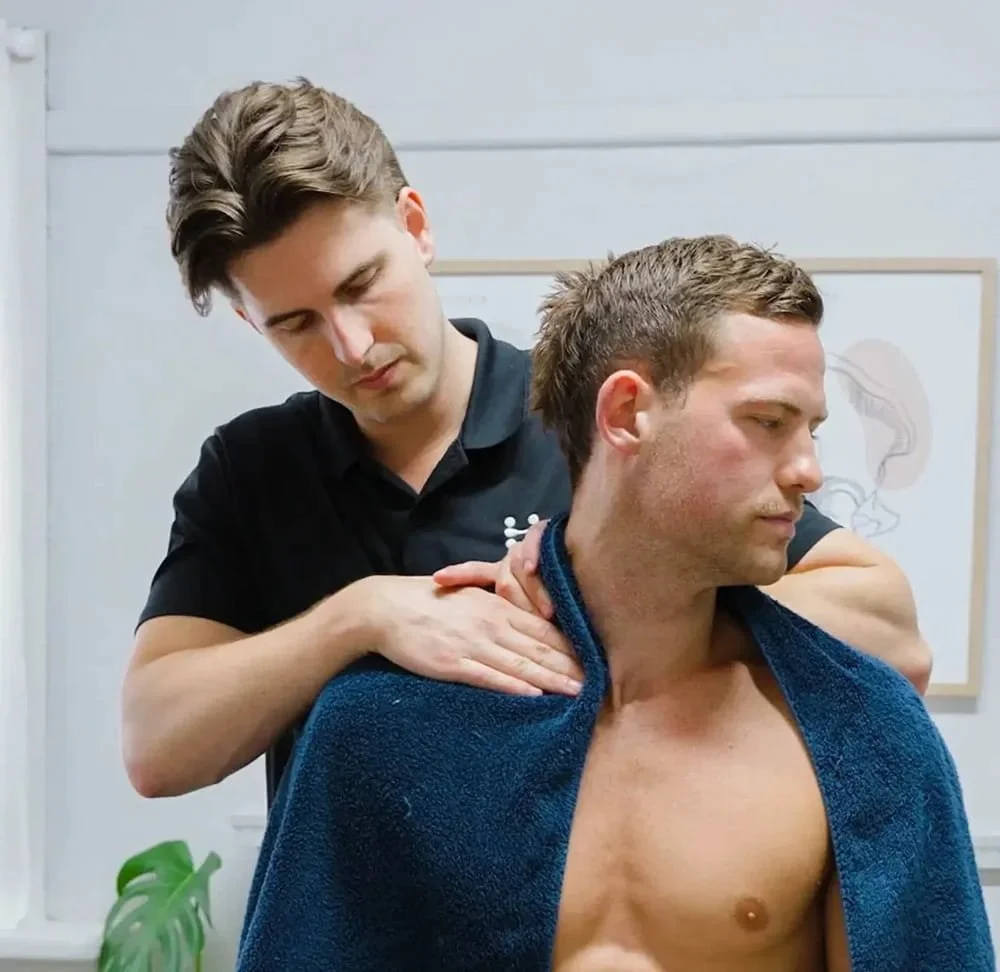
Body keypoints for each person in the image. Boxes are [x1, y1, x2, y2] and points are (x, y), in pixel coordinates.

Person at [122, 78, 930, 810]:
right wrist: (362, 617)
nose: (353, 344)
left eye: (361, 284)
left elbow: (891, 636)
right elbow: (159, 749)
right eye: (294, 324)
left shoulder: (598, 422)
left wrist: (600, 619)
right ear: (247, 320)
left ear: (415, 225)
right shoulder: (250, 470)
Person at [233, 236, 989, 971]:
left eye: (811, 430)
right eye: (768, 422)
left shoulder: (860, 727)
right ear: (627, 413)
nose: (808, 472)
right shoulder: (378, 727)